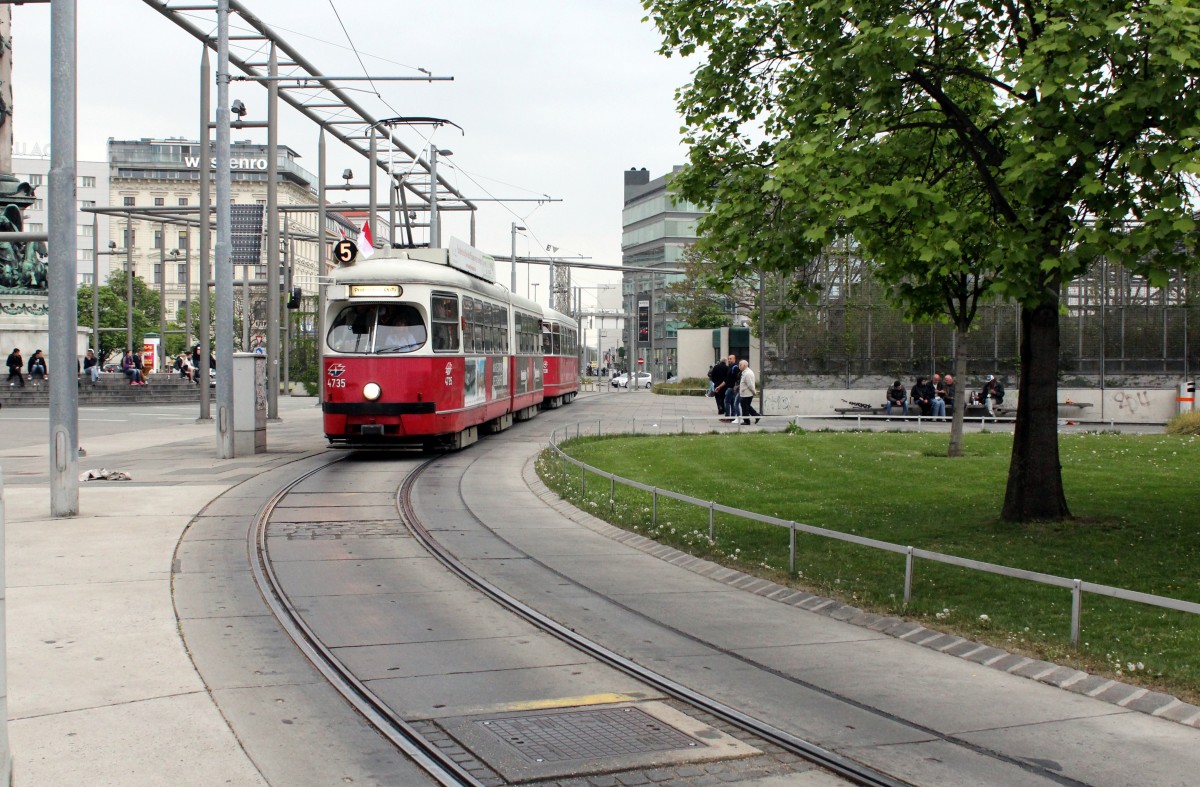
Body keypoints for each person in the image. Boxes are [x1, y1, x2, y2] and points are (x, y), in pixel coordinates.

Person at [737, 360, 760, 425]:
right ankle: (756, 416)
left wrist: (754, 392)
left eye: (740, 365)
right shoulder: (745, 372)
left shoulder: (747, 373)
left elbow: (750, 384)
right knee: (747, 407)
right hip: (745, 393)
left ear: (744, 365)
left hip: (747, 394)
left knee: (745, 408)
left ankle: (746, 421)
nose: (739, 366)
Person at [724, 354, 742, 424]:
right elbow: (727, 379)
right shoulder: (730, 367)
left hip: (731, 388)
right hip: (730, 387)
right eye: (728, 359)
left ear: (734, 359)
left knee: (727, 402)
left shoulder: (735, 368)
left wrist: (735, 386)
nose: (729, 360)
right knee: (732, 402)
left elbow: (737, 378)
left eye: (730, 359)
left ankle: (728, 417)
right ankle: (732, 417)